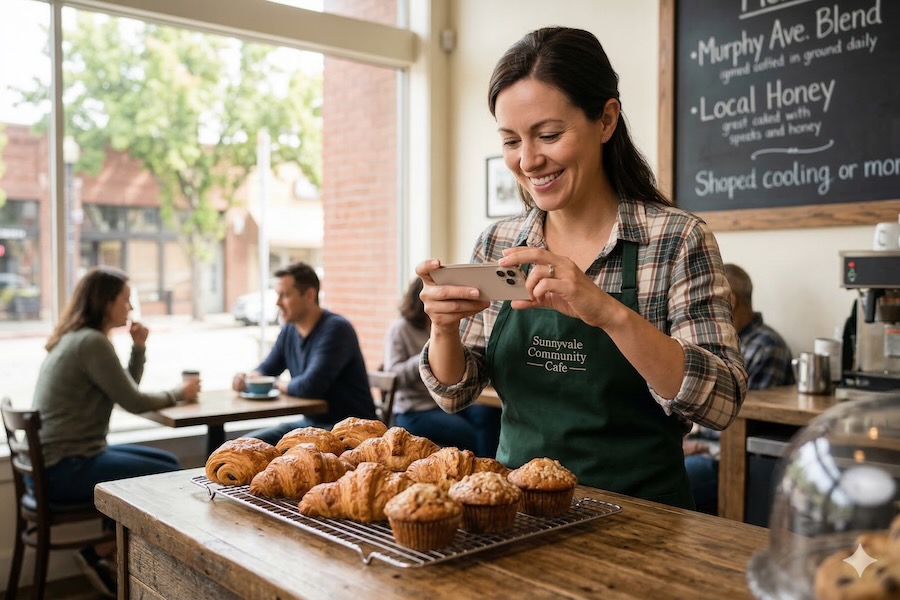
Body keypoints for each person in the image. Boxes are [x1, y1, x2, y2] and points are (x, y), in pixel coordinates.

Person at [416, 27, 747, 509]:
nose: (528, 161)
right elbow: (457, 392)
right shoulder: (500, 241)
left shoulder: (676, 239)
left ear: (606, 119)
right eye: (511, 140)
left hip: (643, 524)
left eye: (548, 135)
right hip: (516, 513)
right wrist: (443, 329)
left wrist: (608, 312)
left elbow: (720, 402)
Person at [33, 266, 200, 597]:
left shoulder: (79, 338)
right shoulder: (91, 342)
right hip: (66, 467)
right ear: (106, 302)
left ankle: (108, 553)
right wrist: (182, 392)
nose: (131, 308)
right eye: (126, 299)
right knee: (168, 473)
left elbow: (122, 392)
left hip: (63, 461)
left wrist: (138, 348)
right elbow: (134, 401)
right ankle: (110, 554)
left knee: (166, 462)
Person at [684, 263, 794, 514]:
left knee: (664, 482)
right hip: (693, 447)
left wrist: (699, 445)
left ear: (729, 300)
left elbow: (749, 425)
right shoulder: (715, 342)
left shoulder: (766, 346)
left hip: (723, 459)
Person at [236, 262, 376, 445]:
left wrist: (275, 384)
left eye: (285, 295)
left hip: (350, 430)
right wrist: (249, 378)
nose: (278, 302)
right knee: (242, 445)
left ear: (309, 295)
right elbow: (267, 368)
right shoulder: (290, 330)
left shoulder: (336, 329)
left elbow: (310, 386)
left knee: (265, 455)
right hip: (313, 425)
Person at [385, 278, 502, 457]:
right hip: (415, 409)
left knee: (490, 414)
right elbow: (394, 375)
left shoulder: (449, 325)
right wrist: (429, 357)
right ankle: (479, 469)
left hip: (447, 405)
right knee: (472, 435)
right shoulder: (401, 329)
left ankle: (491, 464)